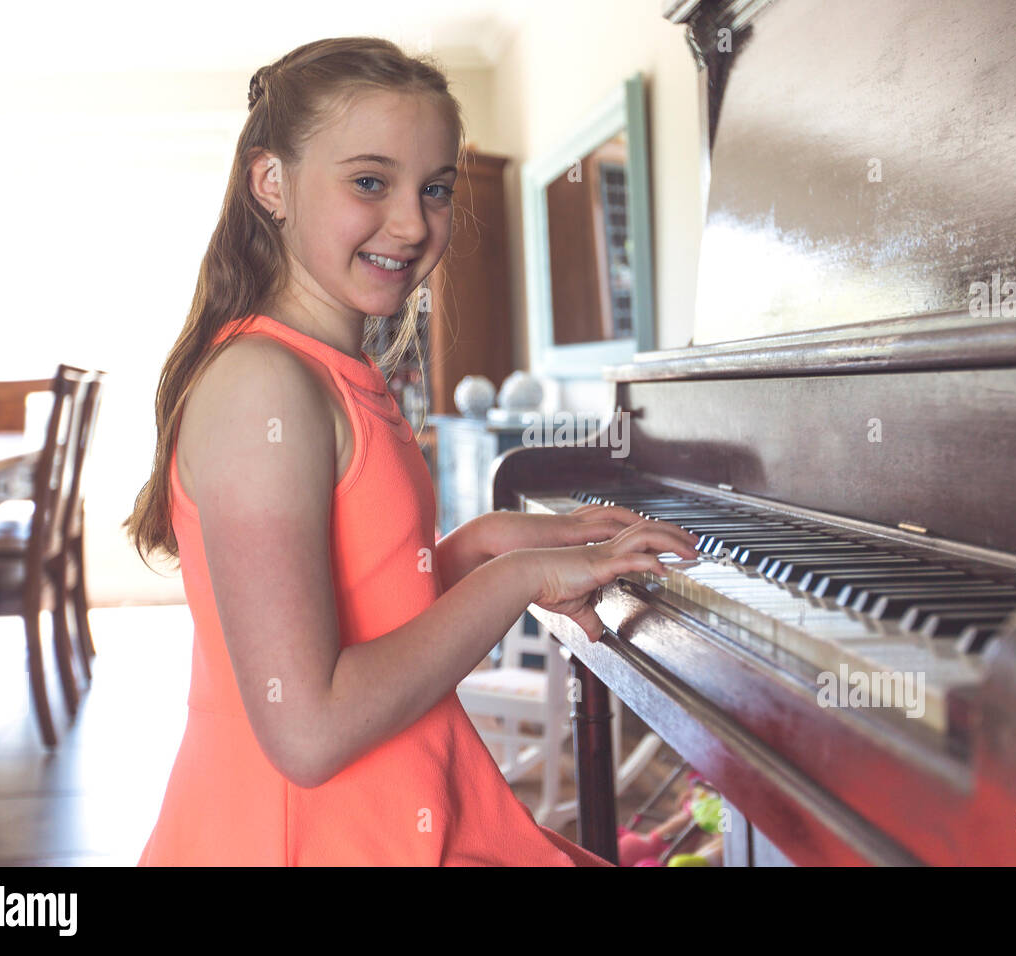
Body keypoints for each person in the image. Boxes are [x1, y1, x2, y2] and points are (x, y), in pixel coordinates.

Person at [124, 36, 697, 866]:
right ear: (271, 184)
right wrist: (517, 580)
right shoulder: (263, 387)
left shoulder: (331, 369)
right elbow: (310, 732)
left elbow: (366, 592)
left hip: (389, 813)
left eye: (434, 189)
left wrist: (484, 545)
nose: (412, 222)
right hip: (313, 836)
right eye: (369, 181)